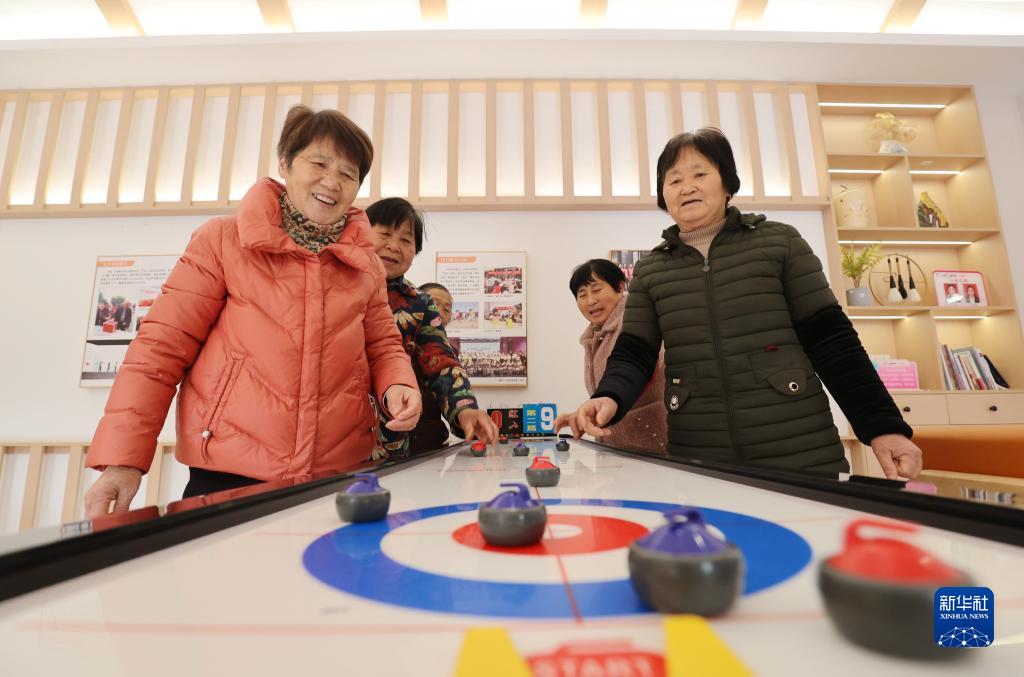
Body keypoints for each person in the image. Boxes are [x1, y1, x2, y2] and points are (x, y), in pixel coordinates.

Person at [83, 106, 421, 517]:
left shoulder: (364, 263)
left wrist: (397, 384)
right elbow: (159, 349)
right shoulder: (222, 240)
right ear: (284, 163)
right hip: (229, 472)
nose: (332, 182)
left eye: (348, 174)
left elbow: (384, 346)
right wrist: (122, 460)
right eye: (318, 163)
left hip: (338, 471)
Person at [568, 128, 922, 480]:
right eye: (674, 180)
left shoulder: (780, 243)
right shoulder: (651, 270)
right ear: (664, 195)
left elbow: (831, 340)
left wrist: (882, 426)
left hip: (800, 451)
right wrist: (609, 397)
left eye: (700, 174)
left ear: (727, 183)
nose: (686, 187)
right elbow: (634, 353)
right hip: (700, 457)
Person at [365, 197, 498, 456]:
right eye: (385, 234)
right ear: (359, 233)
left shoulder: (420, 303)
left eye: (406, 240)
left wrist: (465, 409)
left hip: (391, 444)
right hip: (329, 440)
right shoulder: (333, 286)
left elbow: (441, 363)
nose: (394, 246)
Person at [555, 259, 667, 454]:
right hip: (618, 447)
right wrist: (584, 415)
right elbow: (609, 392)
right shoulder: (595, 336)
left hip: (651, 446)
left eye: (596, 290)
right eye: (582, 294)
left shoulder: (634, 325)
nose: (590, 300)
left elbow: (635, 378)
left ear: (620, 287)